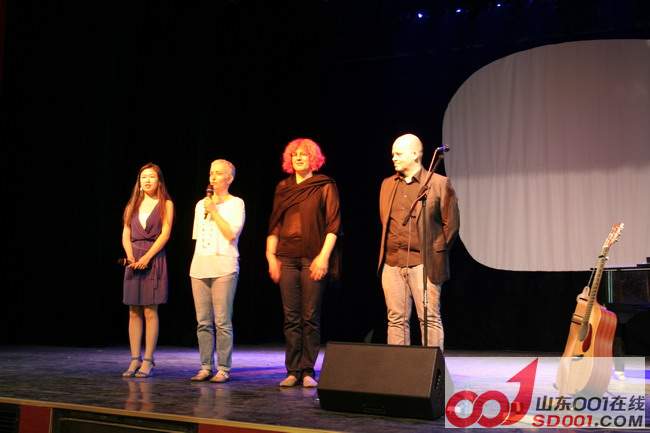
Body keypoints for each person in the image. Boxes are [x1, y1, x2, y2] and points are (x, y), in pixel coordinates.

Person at [266, 138, 341, 388]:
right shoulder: (283, 187)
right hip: (286, 257)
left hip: (313, 257)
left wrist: (323, 257)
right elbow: (275, 224)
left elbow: (333, 225)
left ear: (313, 159)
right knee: (291, 317)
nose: (298, 158)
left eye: (304, 154)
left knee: (310, 316)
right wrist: (271, 257)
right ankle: (292, 370)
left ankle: (308, 370)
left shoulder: (324, 185)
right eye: (295, 154)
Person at [378, 133, 459, 349]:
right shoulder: (387, 185)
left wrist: (435, 251)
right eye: (393, 154)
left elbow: (451, 225)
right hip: (392, 263)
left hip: (424, 263)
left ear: (415, 155)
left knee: (429, 319)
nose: (393, 158)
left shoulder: (439, 183)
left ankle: (432, 366)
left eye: (398, 154)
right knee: (396, 320)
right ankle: (399, 367)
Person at [189, 159, 245, 383]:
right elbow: (198, 237)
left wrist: (214, 211)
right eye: (211, 172)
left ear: (229, 178)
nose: (213, 176)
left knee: (222, 321)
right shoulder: (200, 204)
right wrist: (208, 208)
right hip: (200, 266)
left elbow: (231, 234)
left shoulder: (236, 203)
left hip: (224, 266)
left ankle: (223, 368)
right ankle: (205, 366)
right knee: (203, 322)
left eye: (219, 173)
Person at [121, 163, 174, 378]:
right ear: (139, 181)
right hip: (133, 258)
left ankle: (149, 360)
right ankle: (135, 358)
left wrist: (147, 257)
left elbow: (165, 234)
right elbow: (126, 233)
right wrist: (130, 256)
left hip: (153, 256)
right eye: (144, 177)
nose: (147, 180)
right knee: (133, 310)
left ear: (159, 181)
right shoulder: (132, 204)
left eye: (151, 177)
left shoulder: (166, 204)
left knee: (150, 311)